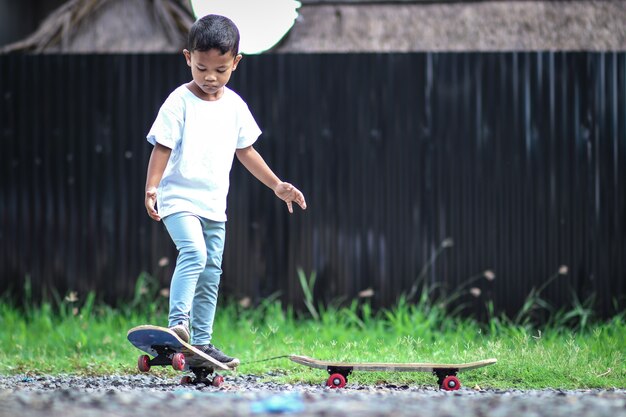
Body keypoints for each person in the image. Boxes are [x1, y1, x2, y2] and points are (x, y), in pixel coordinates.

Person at [144, 14, 307, 368]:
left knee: (211, 273)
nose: (210, 78)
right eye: (201, 68)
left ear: (236, 63)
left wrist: (277, 185)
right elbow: (162, 146)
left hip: (215, 207)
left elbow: (246, 151)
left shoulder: (234, 106)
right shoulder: (178, 102)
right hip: (179, 200)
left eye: (220, 69)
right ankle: (178, 325)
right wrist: (152, 186)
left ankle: (201, 346)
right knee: (194, 253)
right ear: (188, 58)